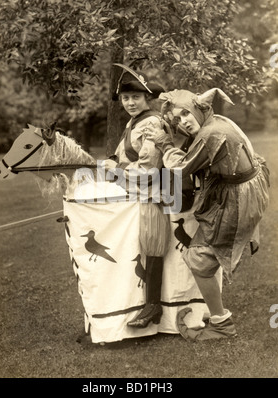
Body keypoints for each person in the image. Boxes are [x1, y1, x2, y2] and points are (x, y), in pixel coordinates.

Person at [144, 87, 270, 340]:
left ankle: (222, 324)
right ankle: (219, 316)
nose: (183, 122)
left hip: (237, 199)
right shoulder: (219, 121)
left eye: (186, 114)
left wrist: (164, 142)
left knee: (199, 260)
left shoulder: (212, 133)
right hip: (242, 192)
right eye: (177, 119)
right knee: (200, 256)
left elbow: (180, 168)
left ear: (199, 109)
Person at [103, 63, 172, 328]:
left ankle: (153, 306)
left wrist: (117, 169)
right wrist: (112, 163)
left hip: (152, 194)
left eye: (135, 97)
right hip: (133, 192)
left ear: (147, 98)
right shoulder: (134, 122)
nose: (130, 102)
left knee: (152, 246)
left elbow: (148, 168)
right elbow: (123, 154)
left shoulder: (152, 122)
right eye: (125, 98)